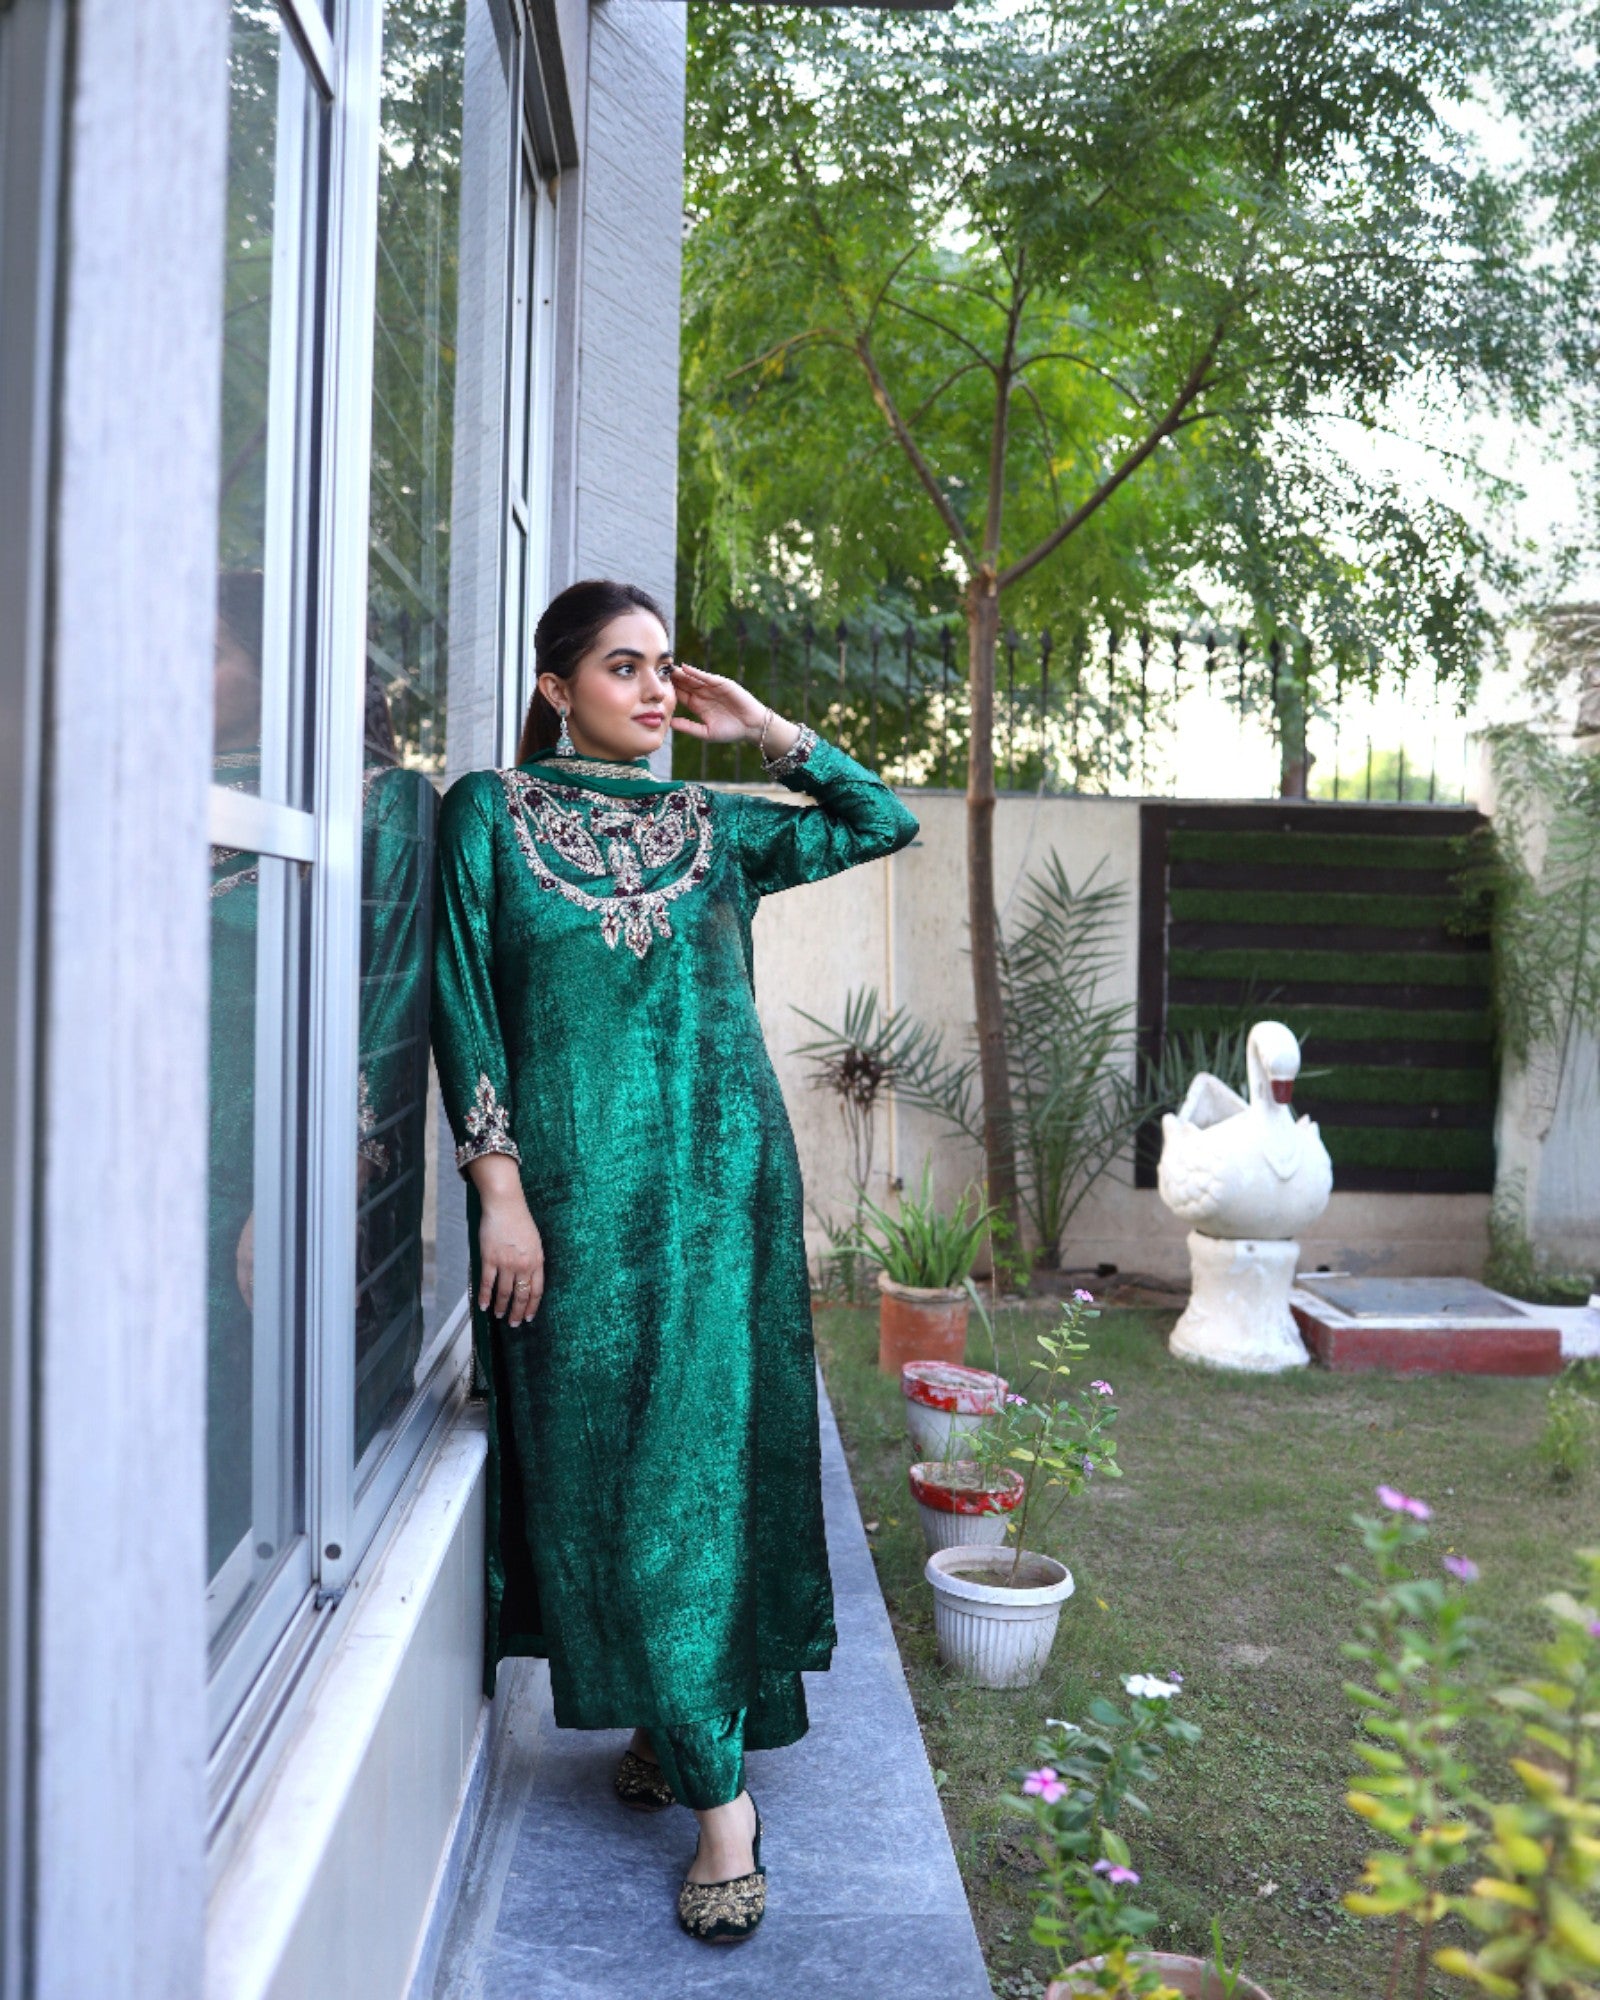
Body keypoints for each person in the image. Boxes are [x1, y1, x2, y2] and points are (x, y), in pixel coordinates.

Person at [430, 577, 920, 1943]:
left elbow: (882, 820)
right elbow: (465, 1012)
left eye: (666, 671)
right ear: (555, 687)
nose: (655, 692)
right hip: (569, 1213)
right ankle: (672, 1708)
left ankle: (723, 1808)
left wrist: (761, 724)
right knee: (602, 1463)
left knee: (694, 1471)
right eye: (624, 668)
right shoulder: (488, 815)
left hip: (720, 1199)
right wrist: (500, 1192)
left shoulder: (714, 828)